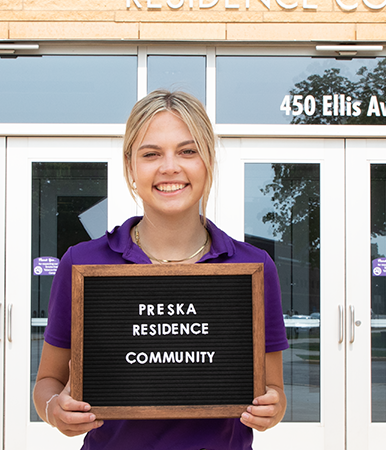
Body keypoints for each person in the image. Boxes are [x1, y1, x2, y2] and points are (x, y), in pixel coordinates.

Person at [33, 90, 289, 449]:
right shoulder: (82, 263)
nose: (170, 167)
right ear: (130, 167)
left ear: (208, 161)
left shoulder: (253, 268)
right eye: (151, 154)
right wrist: (53, 409)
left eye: (187, 151)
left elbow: (273, 392)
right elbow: (47, 381)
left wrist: (271, 410)